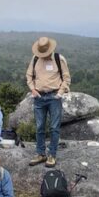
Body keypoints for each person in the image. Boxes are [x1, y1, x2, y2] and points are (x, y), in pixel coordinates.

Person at [25, 36, 71, 168]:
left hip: (53, 96)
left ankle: (52, 154)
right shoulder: (35, 59)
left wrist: (60, 93)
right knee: (39, 127)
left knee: (54, 127)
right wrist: (33, 89)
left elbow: (66, 78)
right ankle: (40, 153)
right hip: (39, 97)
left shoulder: (58, 59)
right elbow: (29, 75)